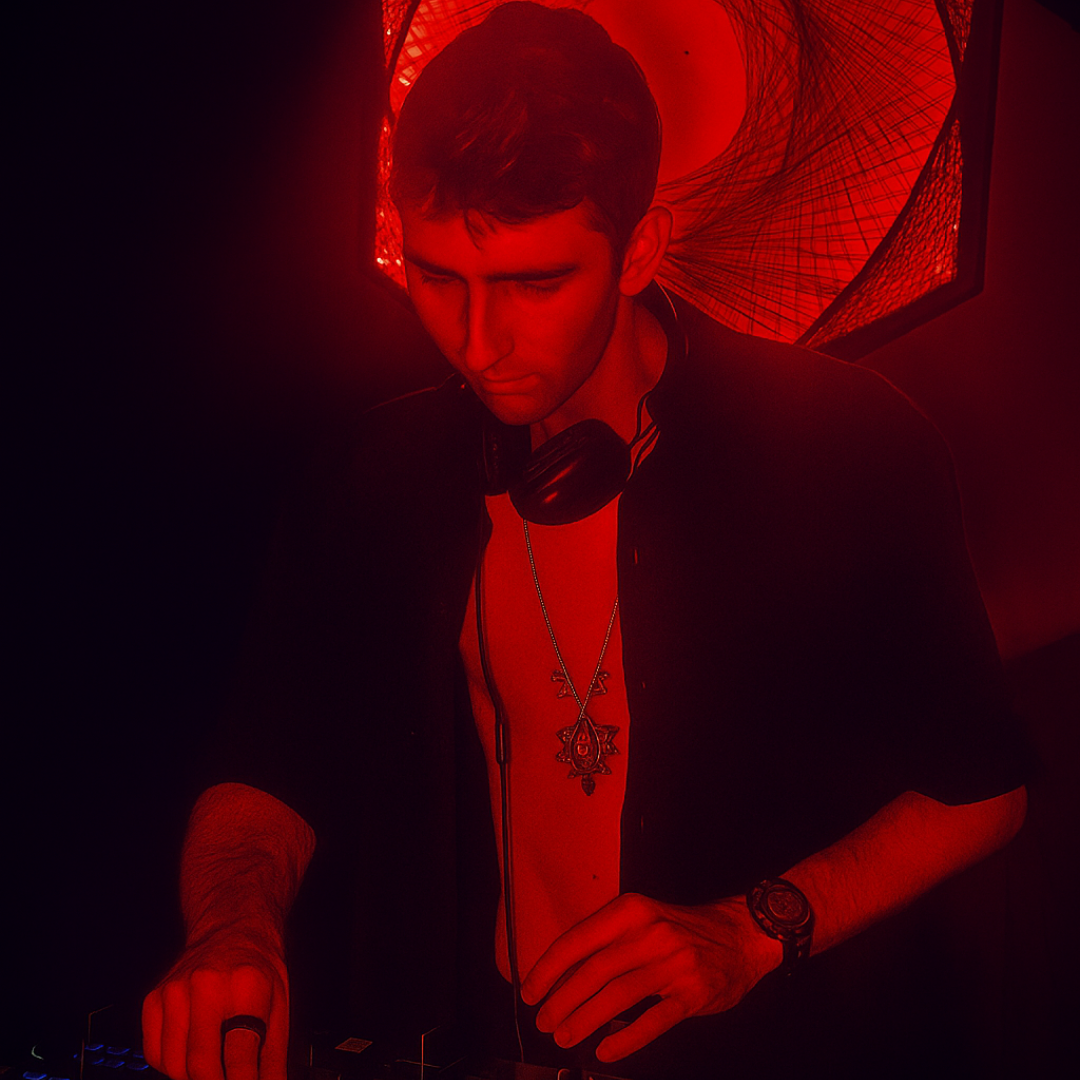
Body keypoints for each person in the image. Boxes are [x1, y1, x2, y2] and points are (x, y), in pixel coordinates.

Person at [141, 4, 1029, 1078]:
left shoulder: (849, 446)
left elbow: (983, 787)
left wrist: (750, 934)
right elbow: (268, 761)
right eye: (438, 278)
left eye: (534, 284)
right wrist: (231, 929)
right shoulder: (371, 477)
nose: (478, 343)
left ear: (639, 248)